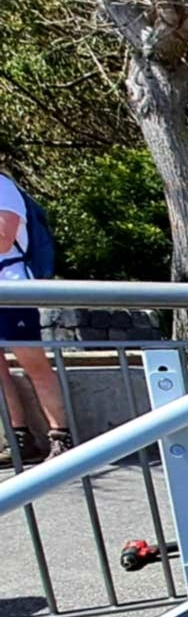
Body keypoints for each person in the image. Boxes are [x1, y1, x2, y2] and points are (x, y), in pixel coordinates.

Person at [0, 172, 71, 466]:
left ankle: (60, 436)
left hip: (12, 289)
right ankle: (17, 436)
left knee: (34, 364)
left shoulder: (2, 187)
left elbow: (4, 238)